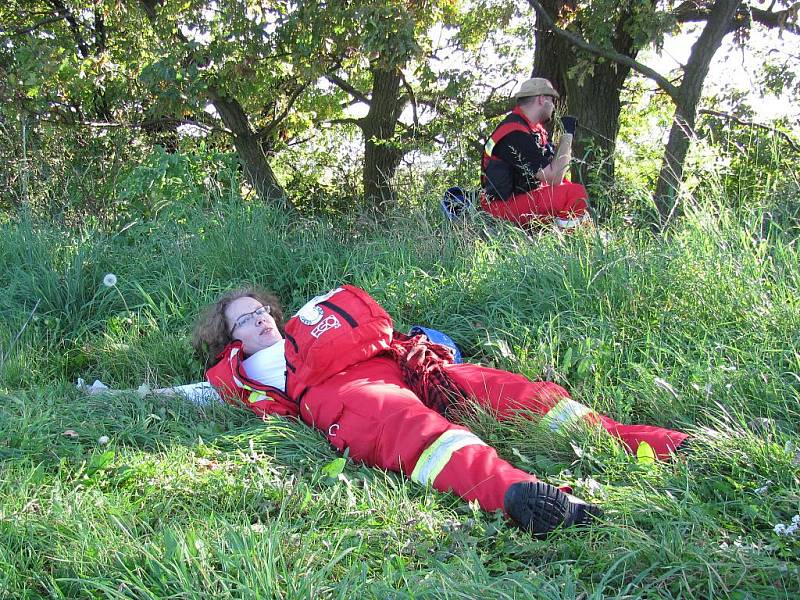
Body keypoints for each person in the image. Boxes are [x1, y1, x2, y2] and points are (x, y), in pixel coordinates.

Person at [193, 285, 690, 536]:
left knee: (510, 390)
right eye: (246, 319)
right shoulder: (238, 374)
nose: (260, 320)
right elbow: (178, 394)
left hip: (403, 362)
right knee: (412, 430)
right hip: (337, 391)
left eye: (262, 312)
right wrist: (113, 398)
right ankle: (522, 496)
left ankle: (661, 443)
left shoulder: (306, 328)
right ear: (228, 337)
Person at [481, 77, 590, 229]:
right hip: (500, 207)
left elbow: (556, 173)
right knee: (575, 193)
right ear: (541, 99)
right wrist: (567, 135)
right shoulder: (515, 134)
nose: (553, 106)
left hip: (517, 200)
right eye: (552, 100)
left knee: (568, 187)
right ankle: (567, 239)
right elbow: (554, 178)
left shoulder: (531, 130)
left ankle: (576, 232)